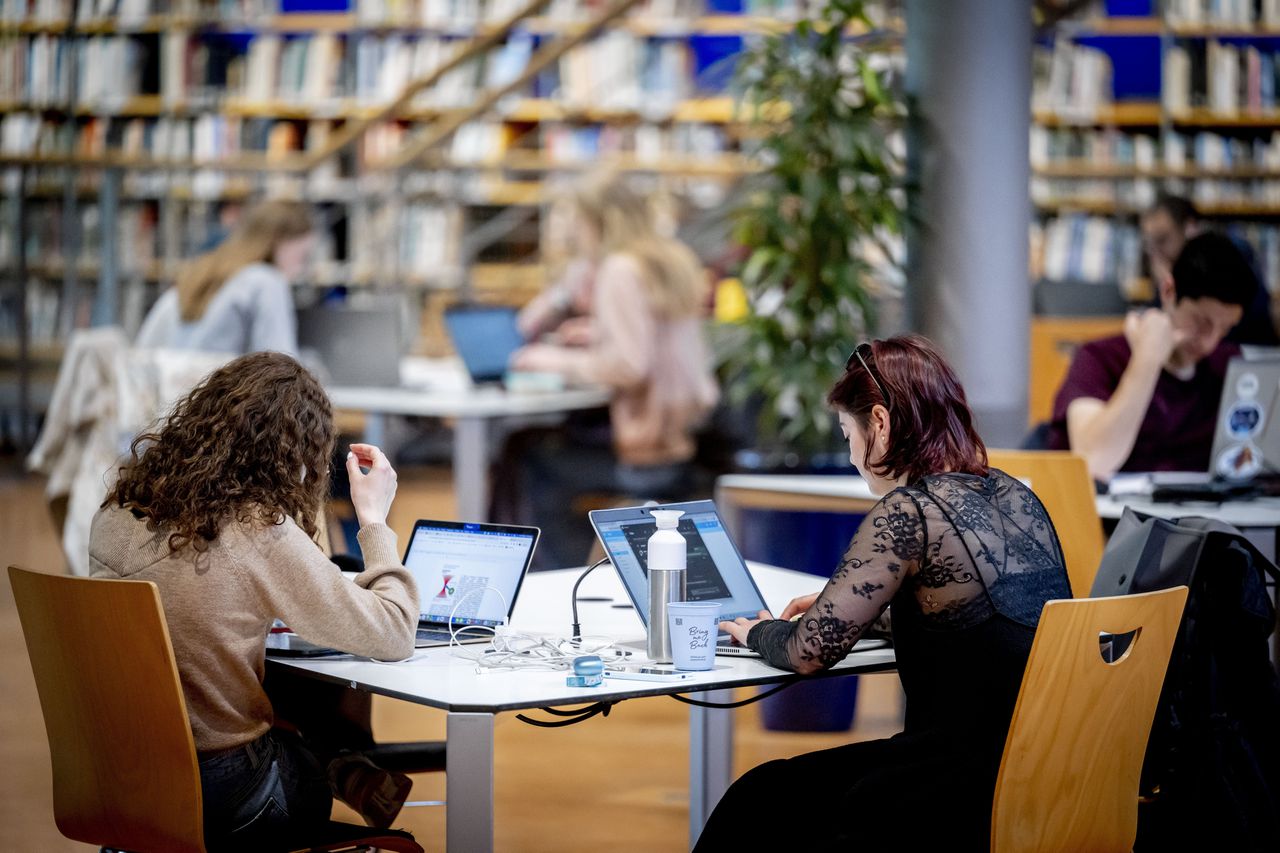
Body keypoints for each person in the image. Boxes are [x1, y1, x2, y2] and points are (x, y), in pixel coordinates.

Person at [696, 335, 1072, 852]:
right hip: (1048, 767)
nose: (851, 454)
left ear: (879, 422)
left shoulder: (910, 511)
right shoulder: (1015, 495)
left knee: (759, 799)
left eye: (847, 432)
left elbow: (809, 653)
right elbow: (982, 621)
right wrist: (857, 615)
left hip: (957, 785)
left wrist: (759, 630)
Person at [89, 352, 419, 850]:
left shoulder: (119, 509)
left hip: (120, 772)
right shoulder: (255, 529)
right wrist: (373, 520)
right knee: (304, 735)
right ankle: (341, 764)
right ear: (293, 456)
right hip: (227, 790)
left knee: (280, 699)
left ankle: (343, 763)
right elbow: (393, 632)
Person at [505, 173, 719, 568]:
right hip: (684, 434)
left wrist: (552, 360)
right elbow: (658, 341)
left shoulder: (619, 269)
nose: (572, 234)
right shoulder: (671, 260)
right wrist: (596, 329)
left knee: (525, 456)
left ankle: (553, 578)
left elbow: (628, 365)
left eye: (577, 223)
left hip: (644, 450)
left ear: (596, 222)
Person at [1047, 231, 1255, 481]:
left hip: (1201, 516)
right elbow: (1095, 460)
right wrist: (1147, 358)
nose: (1209, 341)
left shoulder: (1228, 365)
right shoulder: (1099, 358)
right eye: (1200, 322)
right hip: (1110, 517)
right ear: (1168, 291)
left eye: (1224, 328)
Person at [137, 199, 315, 356]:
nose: (301, 268)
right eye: (302, 256)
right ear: (279, 242)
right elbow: (283, 369)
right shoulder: (267, 281)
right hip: (217, 391)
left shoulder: (203, 272)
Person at [1141, 194, 1277, 345]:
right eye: (1149, 243)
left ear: (1189, 228)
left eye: (1162, 240)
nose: (1155, 252)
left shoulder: (1227, 255)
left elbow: (1239, 323)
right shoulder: (1168, 268)